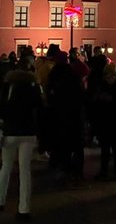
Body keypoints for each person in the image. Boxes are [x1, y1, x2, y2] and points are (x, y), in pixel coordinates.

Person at [0, 57, 45, 220]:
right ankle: (24, 209)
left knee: (6, 166)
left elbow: (0, 109)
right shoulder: (34, 86)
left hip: (10, 131)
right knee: (25, 170)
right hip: (28, 132)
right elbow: (41, 108)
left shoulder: (8, 86)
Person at [45, 52, 86, 186]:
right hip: (75, 114)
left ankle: (63, 168)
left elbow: (49, 93)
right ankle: (78, 172)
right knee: (77, 145)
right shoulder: (73, 74)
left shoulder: (54, 74)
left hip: (59, 114)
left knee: (62, 143)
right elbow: (81, 93)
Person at [89, 62, 116, 180]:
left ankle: (114, 171)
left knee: (114, 148)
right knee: (107, 148)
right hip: (108, 120)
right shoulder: (114, 85)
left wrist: (110, 100)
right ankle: (108, 170)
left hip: (113, 120)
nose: (109, 78)